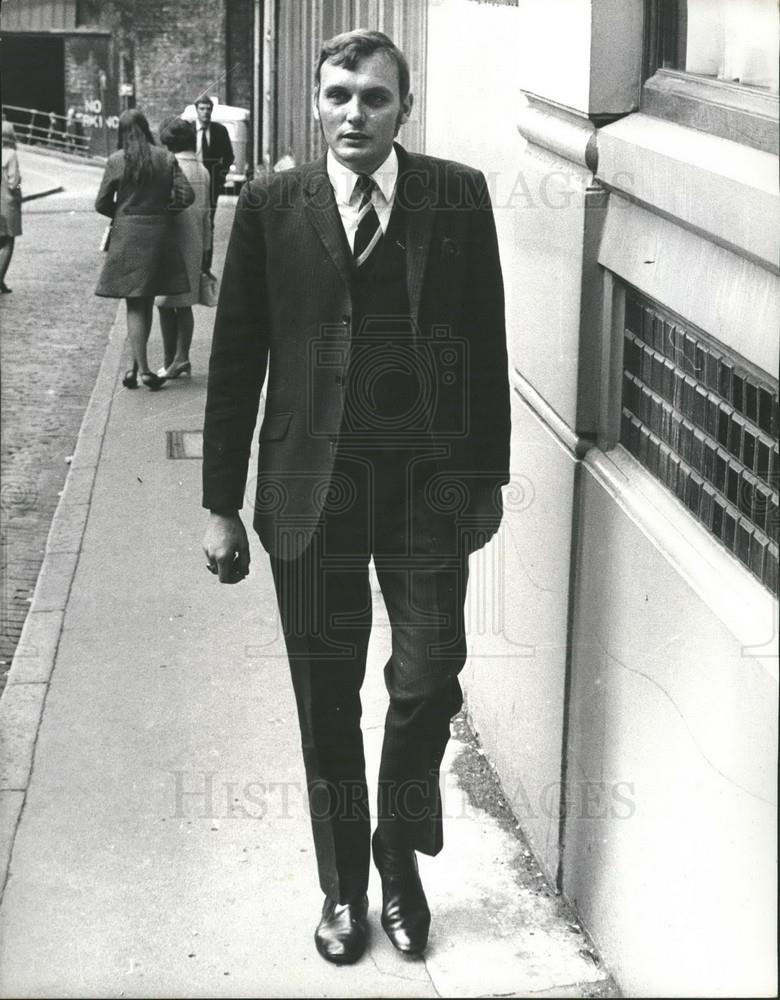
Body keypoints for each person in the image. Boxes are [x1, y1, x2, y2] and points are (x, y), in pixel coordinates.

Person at [202, 29, 510, 965]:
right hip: (313, 492)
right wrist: (219, 501)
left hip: (425, 490)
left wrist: (488, 478)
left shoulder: (455, 195)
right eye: (339, 95)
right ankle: (344, 890)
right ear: (316, 102)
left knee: (426, 682)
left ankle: (399, 856)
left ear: (402, 108)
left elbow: (488, 343)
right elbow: (237, 355)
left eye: (375, 98)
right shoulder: (268, 204)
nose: (354, 114)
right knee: (326, 702)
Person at [94, 109, 195, 390]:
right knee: (146, 299)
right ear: (145, 128)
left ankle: (145, 371)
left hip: (127, 238)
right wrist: (163, 211)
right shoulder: (165, 157)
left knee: (135, 304)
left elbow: (101, 203)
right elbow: (187, 195)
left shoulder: (116, 161)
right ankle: (134, 367)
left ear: (122, 133)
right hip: (159, 236)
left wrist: (123, 213)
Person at [154, 117, 212, 380]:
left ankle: (177, 358)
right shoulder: (203, 170)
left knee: (165, 302)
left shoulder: (171, 166)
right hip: (195, 241)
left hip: (173, 240)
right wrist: (207, 248)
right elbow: (207, 214)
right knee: (184, 302)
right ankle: (178, 358)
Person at [193, 95, 234, 268]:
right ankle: (193, 262)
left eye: (208, 109)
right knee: (192, 222)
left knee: (208, 222)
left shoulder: (219, 131)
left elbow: (229, 157)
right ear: (196, 110)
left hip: (211, 186)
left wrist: (220, 178)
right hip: (192, 183)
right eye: (202, 109)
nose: (205, 112)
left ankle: (206, 266)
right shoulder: (189, 131)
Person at [0, 120, 22, 294]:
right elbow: (13, 182)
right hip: (7, 203)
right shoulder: (10, 154)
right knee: (8, 241)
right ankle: (0, 279)